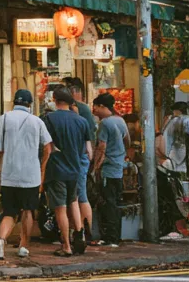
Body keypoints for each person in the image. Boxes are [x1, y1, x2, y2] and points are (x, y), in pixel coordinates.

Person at [0, 89, 52, 260]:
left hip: (9, 174)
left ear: (14, 102)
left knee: (9, 212)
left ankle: (1, 240)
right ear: (30, 104)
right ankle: (23, 246)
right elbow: (48, 148)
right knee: (28, 211)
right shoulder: (37, 121)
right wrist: (42, 168)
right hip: (31, 175)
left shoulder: (4, 119)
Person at [42, 86, 93, 256]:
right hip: (75, 168)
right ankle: (79, 234)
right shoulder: (82, 121)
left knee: (60, 208)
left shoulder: (49, 119)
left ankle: (66, 246)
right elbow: (88, 149)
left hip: (57, 169)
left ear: (55, 100)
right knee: (74, 202)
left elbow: (47, 148)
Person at [91, 93, 129, 247]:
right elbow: (128, 141)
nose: (94, 110)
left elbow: (101, 147)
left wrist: (95, 168)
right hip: (118, 168)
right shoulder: (121, 121)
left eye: (95, 106)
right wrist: (121, 156)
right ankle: (116, 236)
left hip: (108, 169)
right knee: (115, 202)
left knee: (108, 203)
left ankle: (110, 237)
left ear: (101, 106)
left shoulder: (105, 123)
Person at [63, 76, 96, 245]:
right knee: (75, 196)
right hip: (76, 157)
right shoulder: (73, 109)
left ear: (74, 91)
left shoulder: (81, 109)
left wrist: (90, 155)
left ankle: (86, 233)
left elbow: (89, 135)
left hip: (80, 157)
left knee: (80, 195)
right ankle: (78, 232)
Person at [157, 102, 189, 172]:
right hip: (182, 154)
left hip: (176, 153)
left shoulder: (175, 121)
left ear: (178, 111)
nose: (173, 113)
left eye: (174, 111)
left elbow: (167, 138)